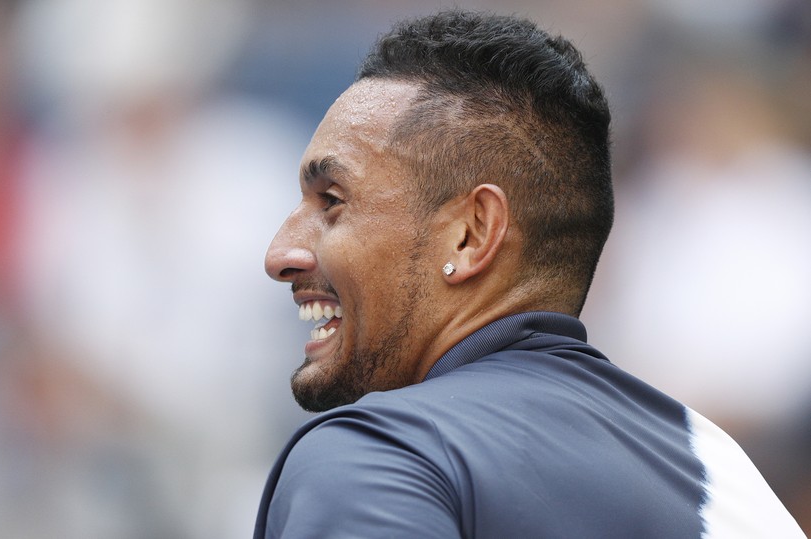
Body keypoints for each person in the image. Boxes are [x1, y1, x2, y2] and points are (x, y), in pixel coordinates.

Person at [256, 10, 805, 538]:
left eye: (331, 201)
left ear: (471, 235)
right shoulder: (731, 478)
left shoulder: (378, 454)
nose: (280, 254)